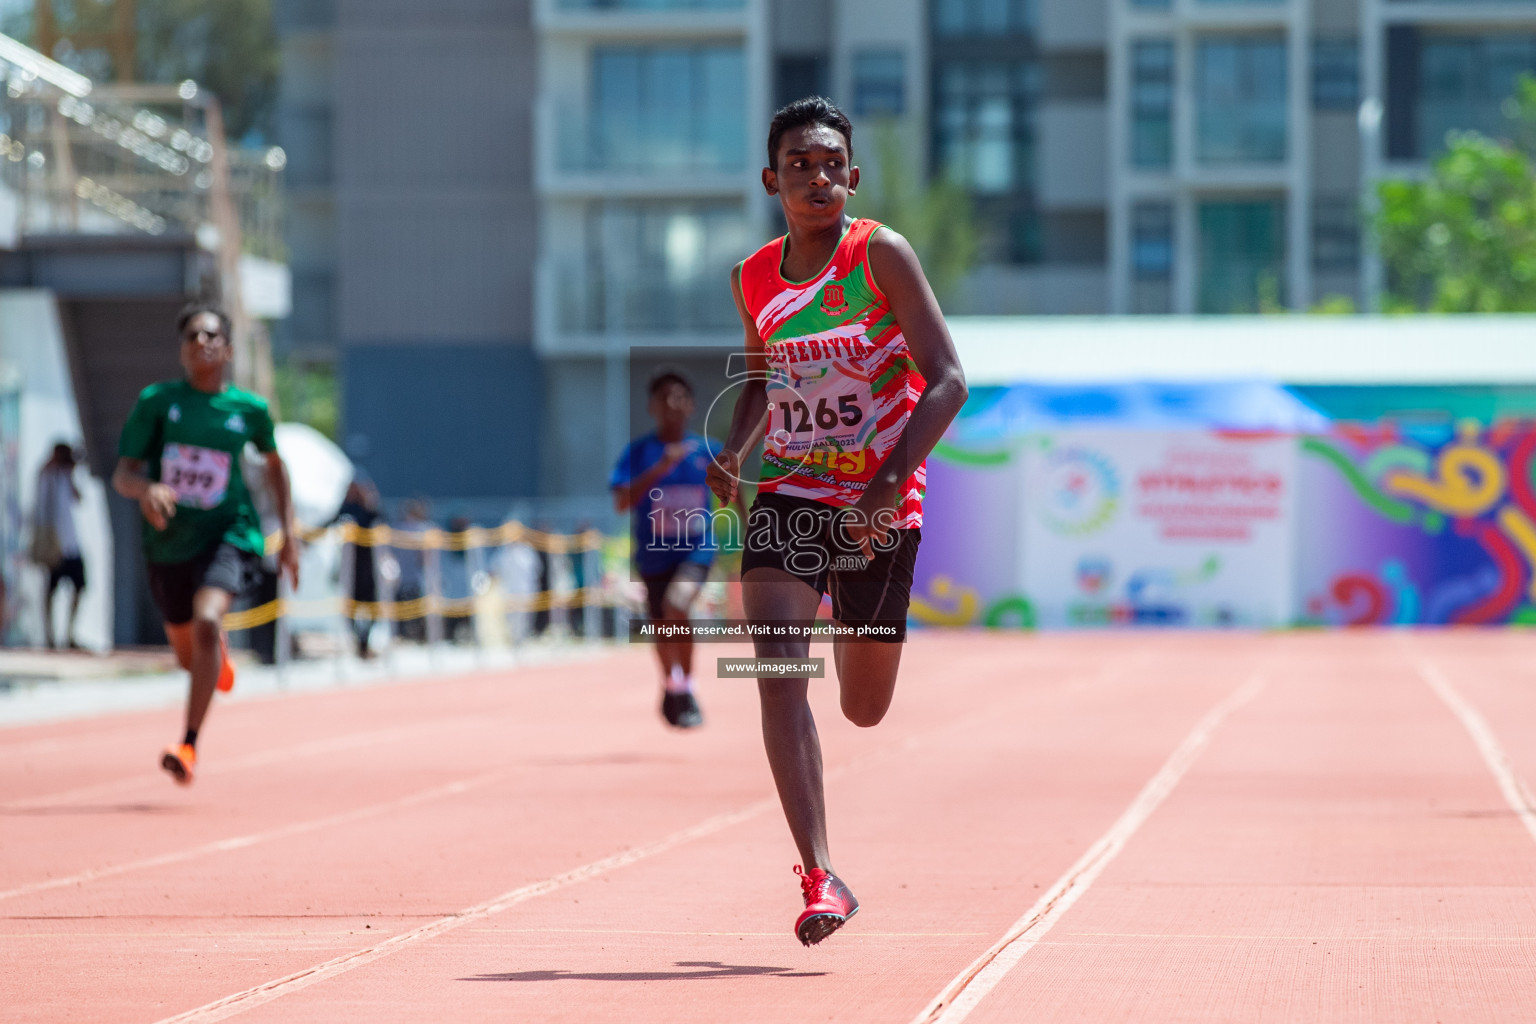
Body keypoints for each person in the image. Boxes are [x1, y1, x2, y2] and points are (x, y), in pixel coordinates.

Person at [706, 97, 968, 945]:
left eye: (831, 166)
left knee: (862, 708)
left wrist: (889, 482)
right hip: (790, 488)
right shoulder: (752, 278)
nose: (817, 179)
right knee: (776, 665)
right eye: (799, 165)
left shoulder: (879, 254)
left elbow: (949, 379)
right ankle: (821, 876)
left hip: (880, 496)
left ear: (851, 177)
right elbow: (761, 382)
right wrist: (737, 450)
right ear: (771, 179)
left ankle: (865, 619)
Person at [112, 302, 299, 786]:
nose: (202, 343)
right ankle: (213, 657)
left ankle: (188, 744)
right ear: (182, 350)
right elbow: (123, 475)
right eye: (193, 336)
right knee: (186, 654)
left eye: (211, 336)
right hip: (168, 543)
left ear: (228, 350)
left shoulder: (250, 410)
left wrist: (290, 537)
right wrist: (147, 489)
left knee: (209, 618)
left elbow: (276, 467)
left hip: (228, 534)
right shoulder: (157, 401)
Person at [612, 369, 741, 729]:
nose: (674, 403)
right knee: (662, 626)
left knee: (677, 605)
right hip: (653, 555)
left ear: (692, 405)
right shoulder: (638, 453)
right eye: (666, 396)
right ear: (653, 406)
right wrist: (660, 467)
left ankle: (686, 685)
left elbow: (739, 490)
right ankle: (672, 684)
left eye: (681, 396)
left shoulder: (709, 450)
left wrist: (753, 532)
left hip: (696, 551)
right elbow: (621, 502)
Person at [34, 442, 85, 649]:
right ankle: (49, 636)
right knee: (51, 590)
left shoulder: (65, 476)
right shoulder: (47, 475)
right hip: (55, 544)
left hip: (71, 543)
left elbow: (78, 498)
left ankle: (69, 634)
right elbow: (41, 509)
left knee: (80, 586)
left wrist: (70, 473)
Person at [335, 479, 386, 658]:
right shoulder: (345, 509)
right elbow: (331, 523)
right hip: (350, 569)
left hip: (369, 567)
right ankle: (359, 642)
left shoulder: (370, 511)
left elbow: (380, 520)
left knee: (373, 606)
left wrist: (370, 501)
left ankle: (365, 641)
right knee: (351, 608)